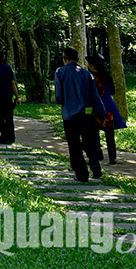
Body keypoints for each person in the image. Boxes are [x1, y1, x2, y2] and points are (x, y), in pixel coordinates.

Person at [56, 46, 107, 182]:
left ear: (64, 59)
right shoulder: (86, 74)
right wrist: (101, 113)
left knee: (74, 145)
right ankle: (94, 163)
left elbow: (59, 96)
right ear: (78, 59)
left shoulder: (60, 72)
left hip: (69, 115)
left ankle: (81, 173)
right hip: (87, 114)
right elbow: (95, 96)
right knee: (89, 141)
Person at [86, 53, 127, 164]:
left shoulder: (89, 76)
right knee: (110, 135)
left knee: (94, 133)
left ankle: (98, 155)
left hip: (95, 106)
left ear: (92, 65)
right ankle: (112, 157)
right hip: (109, 106)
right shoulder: (107, 76)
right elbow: (112, 91)